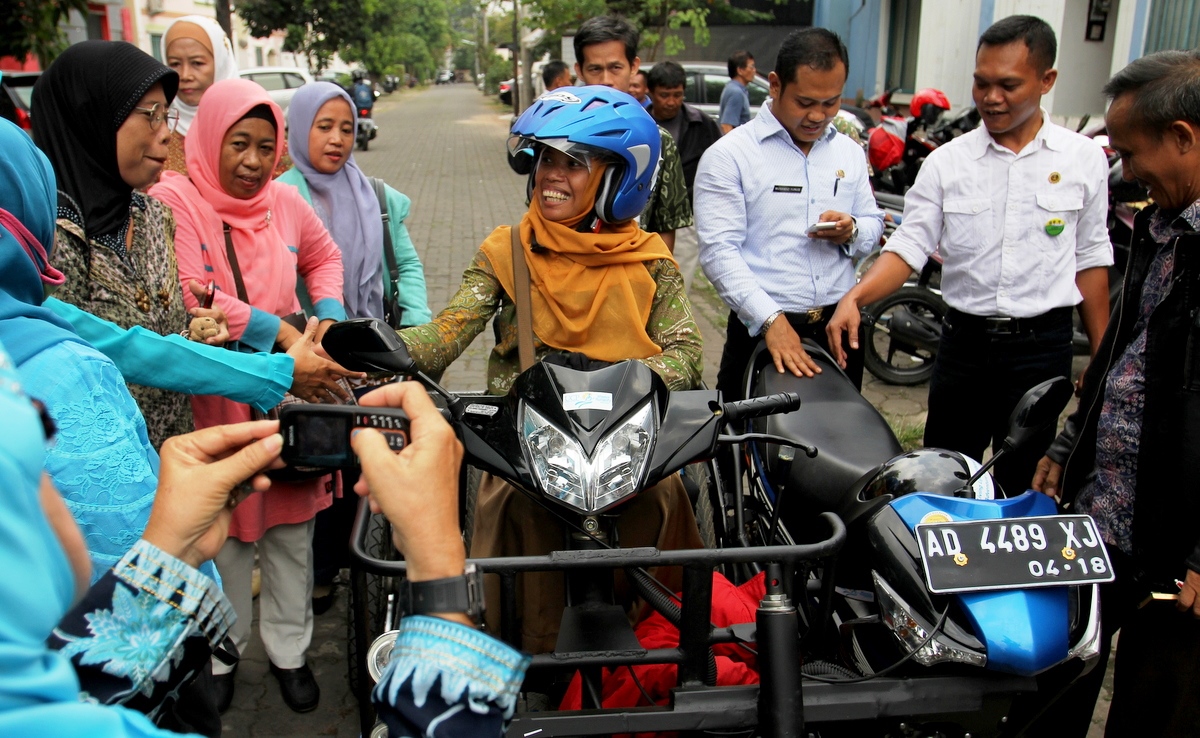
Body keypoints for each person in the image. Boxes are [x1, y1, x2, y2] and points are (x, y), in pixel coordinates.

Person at [399, 86, 704, 653]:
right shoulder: (505, 248)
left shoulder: (652, 261)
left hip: (625, 440)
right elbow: (446, 334)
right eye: (544, 158)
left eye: (573, 163)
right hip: (525, 444)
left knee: (664, 499)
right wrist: (376, 347)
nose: (550, 175)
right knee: (511, 505)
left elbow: (685, 350)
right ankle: (523, 653)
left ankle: (656, 653)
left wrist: (635, 384)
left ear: (620, 177)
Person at [825, 15, 1112, 497]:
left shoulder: (1082, 159)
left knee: (1025, 483)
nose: (990, 97)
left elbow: (1091, 259)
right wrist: (857, 296)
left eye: (1008, 85)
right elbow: (909, 247)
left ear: (1047, 81)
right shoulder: (947, 162)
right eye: (981, 83)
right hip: (964, 348)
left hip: (1042, 349)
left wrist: (1102, 360)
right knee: (945, 479)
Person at [150, 79, 352, 715]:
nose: (253, 161)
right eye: (238, 143)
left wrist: (327, 318)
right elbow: (191, 291)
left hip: (294, 400)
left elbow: (324, 257)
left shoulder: (284, 203)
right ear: (210, 139)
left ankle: (290, 654)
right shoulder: (175, 198)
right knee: (228, 537)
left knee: (292, 535)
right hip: (218, 397)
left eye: (267, 147)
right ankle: (223, 653)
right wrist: (283, 334)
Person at [1028, 49, 1200, 737]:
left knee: (1155, 713)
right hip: (1108, 514)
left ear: (1184, 137)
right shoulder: (1164, 231)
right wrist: (1070, 444)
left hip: (1179, 551)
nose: (1126, 174)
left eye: (1131, 153)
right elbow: (1119, 354)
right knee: (1058, 686)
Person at [278, 80, 432, 613]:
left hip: (370, 349)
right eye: (324, 127)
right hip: (310, 353)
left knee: (369, 458)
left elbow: (405, 265)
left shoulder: (377, 195)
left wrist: (415, 328)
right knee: (320, 463)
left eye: (346, 128)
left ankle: (373, 560)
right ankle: (322, 572)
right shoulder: (279, 197)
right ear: (299, 129)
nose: (337, 139)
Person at [695, 28, 884, 401]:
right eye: (805, 102)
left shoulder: (847, 152)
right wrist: (771, 321)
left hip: (838, 330)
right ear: (776, 85)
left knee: (838, 447)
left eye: (831, 102)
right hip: (762, 332)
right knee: (747, 449)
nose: (818, 115)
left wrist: (851, 230)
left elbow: (874, 226)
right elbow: (719, 253)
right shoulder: (731, 156)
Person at [574, 17, 691, 252]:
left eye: (615, 68)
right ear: (579, 70)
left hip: (633, 276)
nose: (606, 80)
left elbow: (666, 226)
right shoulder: (559, 137)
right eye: (595, 69)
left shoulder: (659, 141)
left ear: (634, 67)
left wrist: (653, 283)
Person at [647, 60, 721, 290]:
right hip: (643, 216)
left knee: (677, 281)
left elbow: (718, 165)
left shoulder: (701, 124)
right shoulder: (639, 122)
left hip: (685, 216)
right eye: (664, 95)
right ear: (651, 93)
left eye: (677, 95)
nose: (671, 102)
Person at [162, 15, 238, 177]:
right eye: (175, 64)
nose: (185, 75)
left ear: (221, 64)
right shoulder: (155, 131)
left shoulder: (251, 124)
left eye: (197, 63)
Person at [719, 50, 755, 134]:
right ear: (740, 70)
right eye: (751, 67)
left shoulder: (734, 88)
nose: (754, 70)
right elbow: (726, 126)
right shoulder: (736, 92)